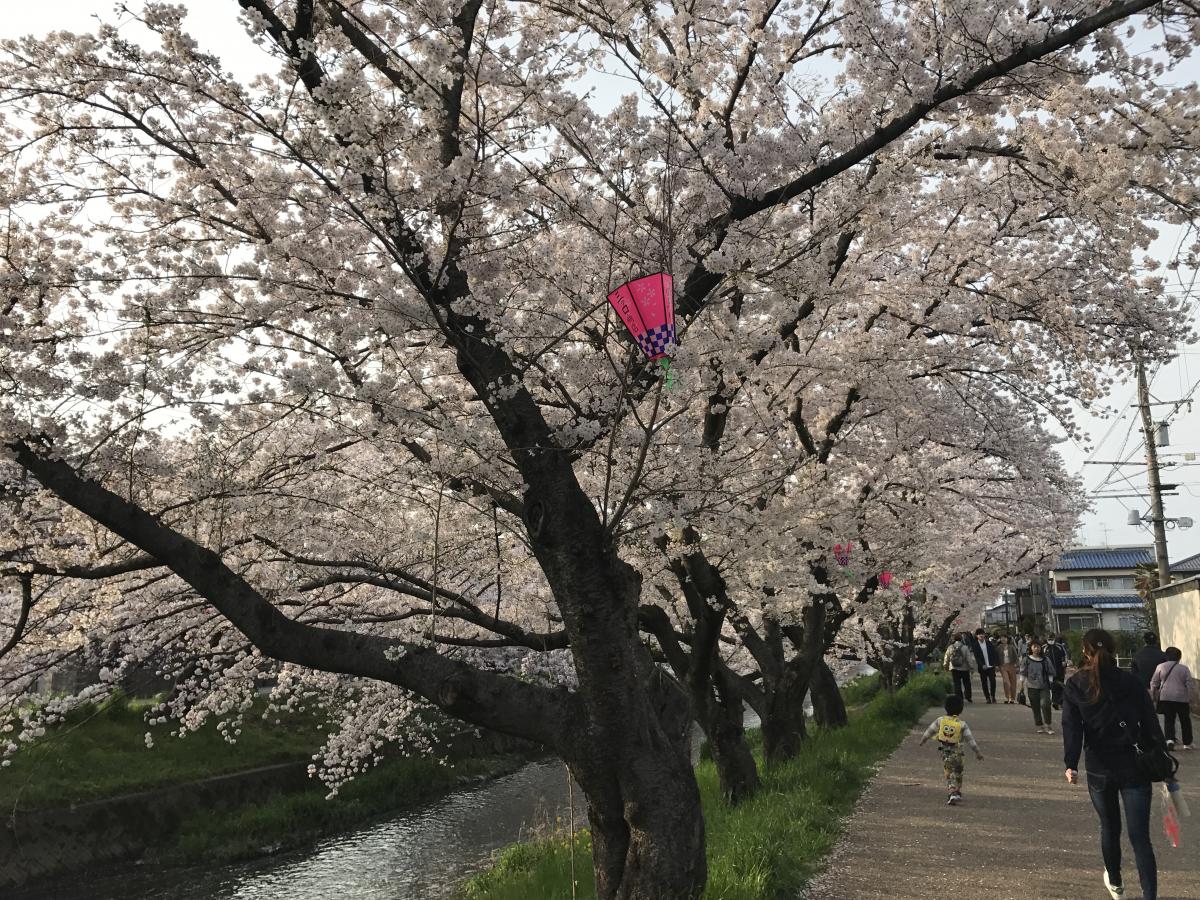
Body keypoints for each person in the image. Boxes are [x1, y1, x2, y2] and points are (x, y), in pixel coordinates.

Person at [1063, 628, 1164, 900]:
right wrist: (1160, 753)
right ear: (1114, 649)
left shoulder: (1075, 684)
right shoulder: (1130, 681)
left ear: (1085, 651)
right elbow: (1150, 719)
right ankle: (1149, 895)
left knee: (1109, 828)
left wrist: (1070, 763)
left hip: (1099, 766)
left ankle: (1116, 884)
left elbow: (1072, 728)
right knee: (1140, 837)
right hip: (1135, 765)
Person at [920, 693, 984, 805]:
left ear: (945, 707)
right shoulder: (962, 724)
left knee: (949, 773)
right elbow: (971, 740)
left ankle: (952, 792)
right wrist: (977, 752)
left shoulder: (940, 720)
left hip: (946, 753)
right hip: (959, 754)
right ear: (961, 710)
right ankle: (957, 791)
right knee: (958, 772)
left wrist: (923, 740)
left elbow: (930, 731)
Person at [1150, 647, 1195, 751]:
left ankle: (1169, 740)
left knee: (1169, 719)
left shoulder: (1160, 666)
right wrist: (1191, 698)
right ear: (1179, 657)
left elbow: (1154, 682)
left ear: (1167, 656)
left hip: (1166, 697)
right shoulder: (1184, 668)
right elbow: (1190, 684)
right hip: (1181, 698)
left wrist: (1153, 694)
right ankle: (1187, 743)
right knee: (1185, 720)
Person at [1021, 639, 1056, 733]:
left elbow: (1051, 672)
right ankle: (1040, 725)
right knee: (1035, 707)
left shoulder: (1046, 660)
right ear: (1031, 648)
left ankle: (1048, 725)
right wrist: (1021, 686)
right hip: (1031, 687)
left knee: (1046, 704)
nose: (1036, 648)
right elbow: (1023, 673)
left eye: (1038, 646)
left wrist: (1050, 683)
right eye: (1034, 646)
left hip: (1044, 686)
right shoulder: (1026, 659)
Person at [943, 632, 976, 702]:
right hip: (964, 668)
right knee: (967, 683)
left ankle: (959, 697)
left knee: (957, 683)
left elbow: (946, 658)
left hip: (954, 668)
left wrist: (945, 666)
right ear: (961, 639)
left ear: (954, 639)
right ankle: (968, 696)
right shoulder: (965, 647)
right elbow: (969, 658)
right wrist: (971, 667)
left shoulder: (950, 647)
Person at [970, 628, 1000, 703]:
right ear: (977, 636)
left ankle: (993, 696)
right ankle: (987, 697)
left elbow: (994, 653)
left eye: (983, 634)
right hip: (982, 667)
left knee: (993, 680)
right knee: (984, 682)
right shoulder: (975, 645)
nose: (982, 635)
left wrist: (996, 664)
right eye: (980, 634)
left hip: (991, 665)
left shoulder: (989, 643)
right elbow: (976, 657)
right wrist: (982, 664)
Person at [1044, 634, 1068, 709]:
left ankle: (1061, 702)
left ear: (1054, 639)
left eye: (1052, 639)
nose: (1051, 640)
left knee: (1061, 686)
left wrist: (1065, 664)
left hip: (1060, 670)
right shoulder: (1044, 648)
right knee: (1053, 686)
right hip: (1050, 672)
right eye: (1049, 639)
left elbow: (1065, 656)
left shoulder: (1060, 646)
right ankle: (1055, 701)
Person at [997, 634, 1020, 703]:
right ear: (1000, 639)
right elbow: (996, 658)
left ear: (1007, 639)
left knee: (1013, 682)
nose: (1003, 639)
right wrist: (997, 666)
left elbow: (1016, 657)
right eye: (1002, 638)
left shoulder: (1011, 647)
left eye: (1005, 638)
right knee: (1006, 682)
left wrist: (1017, 666)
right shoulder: (998, 648)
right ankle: (1008, 697)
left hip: (1012, 665)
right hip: (1003, 666)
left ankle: (1012, 698)